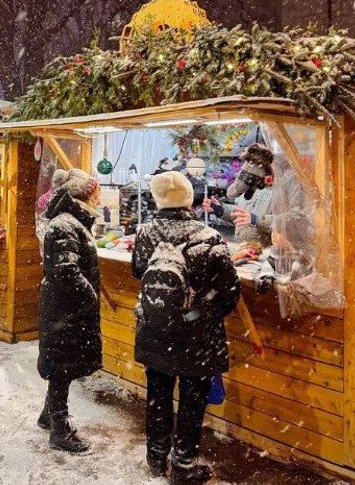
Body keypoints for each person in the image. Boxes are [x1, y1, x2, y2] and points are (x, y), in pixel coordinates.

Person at [132, 171, 240, 482]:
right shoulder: (208, 237)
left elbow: (139, 272)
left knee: (158, 395)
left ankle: (155, 456)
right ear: (189, 199)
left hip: (155, 330)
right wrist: (199, 315)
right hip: (197, 338)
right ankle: (183, 463)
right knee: (193, 400)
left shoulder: (145, 234)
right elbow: (229, 290)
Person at [36, 168, 103, 453]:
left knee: (61, 364)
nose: (99, 200)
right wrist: (90, 297)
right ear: (86, 195)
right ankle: (60, 431)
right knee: (62, 368)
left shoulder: (70, 222)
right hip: (65, 309)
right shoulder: (66, 225)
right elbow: (66, 271)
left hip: (63, 308)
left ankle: (47, 416)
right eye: (97, 194)